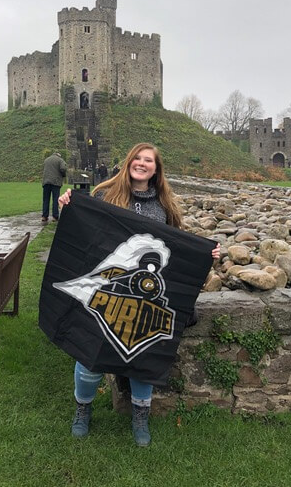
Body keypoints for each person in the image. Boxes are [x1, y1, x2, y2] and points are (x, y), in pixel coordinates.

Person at [58, 142, 220, 446]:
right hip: (108, 293)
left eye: (149, 160)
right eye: (137, 158)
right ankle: (83, 408)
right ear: (128, 162)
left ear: (156, 170)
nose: (142, 163)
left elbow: (178, 247)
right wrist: (67, 206)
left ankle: (140, 415)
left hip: (145, 300)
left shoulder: (165, 206)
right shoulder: (104, 196)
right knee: (90, 356)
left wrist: (206, 253)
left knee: (143, 359)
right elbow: (85, 235)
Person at [42, 152, 66, 223]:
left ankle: (44, 216)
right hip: (55, 182)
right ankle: (55, 216)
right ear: (59, 155)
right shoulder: (60, 160)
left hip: (46, 182)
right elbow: (63, 168)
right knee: (55, 199)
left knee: (46, 199)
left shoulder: (46, 160)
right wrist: (63, 175)